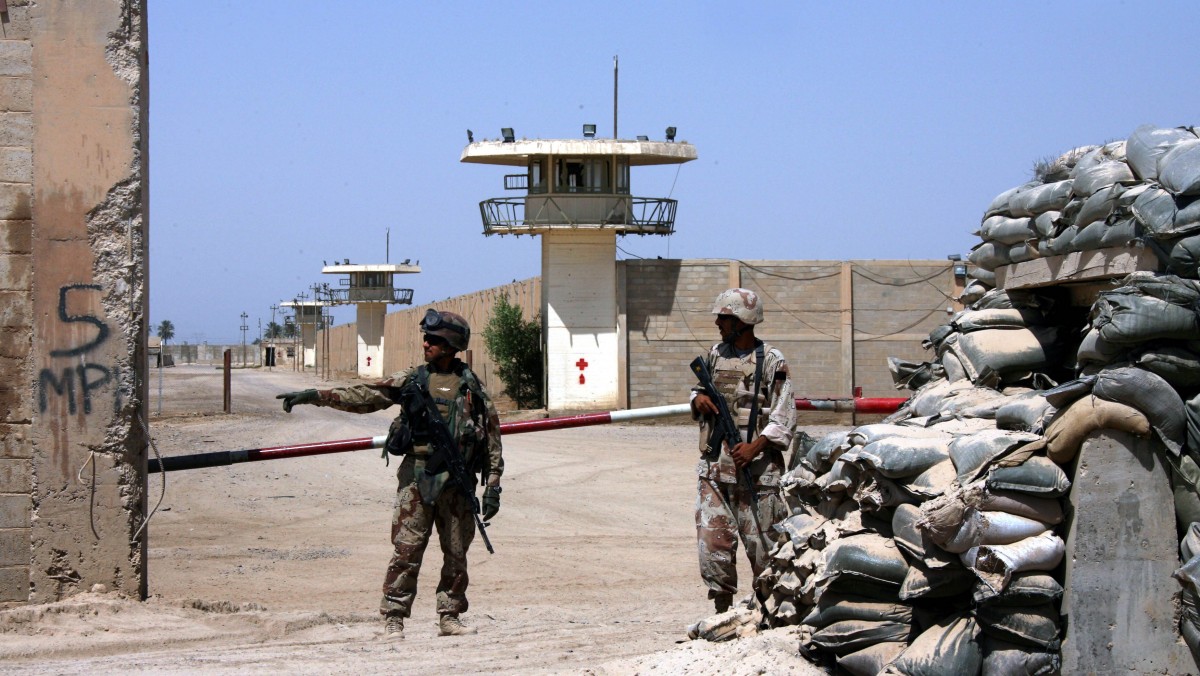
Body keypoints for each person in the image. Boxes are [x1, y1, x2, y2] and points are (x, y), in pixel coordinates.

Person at [276, 309, 503, 639]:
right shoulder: (414, 380)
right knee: (407, 551)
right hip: (417, 479)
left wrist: (493, 485)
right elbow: (367, 395)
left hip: (457, 485)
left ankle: (449, 616)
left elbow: (493, 439)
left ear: (451, 345)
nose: (426, 343)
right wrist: (318, 396)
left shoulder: (472, 389)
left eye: (435, 340)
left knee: (457, 555)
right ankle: (393, 618)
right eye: (427, 338)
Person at [690, 288, 795, 614]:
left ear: (743, 321)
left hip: (758, 474)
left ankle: (770, 614)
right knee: (713, 545)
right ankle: (722, 613)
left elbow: (784, 415)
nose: (718, 323)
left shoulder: (772, 361)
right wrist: (697, 400)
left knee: (764, 548)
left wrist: (755, 447)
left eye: (724, 317)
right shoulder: (714, 355)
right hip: (715, 471)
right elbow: (698, 390)